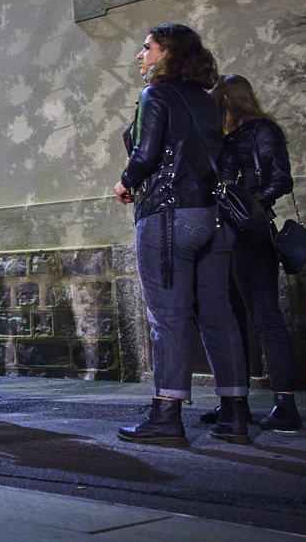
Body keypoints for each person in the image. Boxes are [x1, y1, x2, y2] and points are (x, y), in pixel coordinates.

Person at [114, 24, 248, 446]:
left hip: (168, 217)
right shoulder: (208, 103)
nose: (141, 54)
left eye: (147, 47)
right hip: (211, 217)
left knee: (167, 319)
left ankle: (167, 416)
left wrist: (125, 182)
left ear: (167, 54)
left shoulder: (155, 95)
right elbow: (220, 157)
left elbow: (147, 152)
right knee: (218, 315)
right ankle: (235, 413)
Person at [204, 74, 298, 430]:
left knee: (266, 317)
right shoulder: (228, 138)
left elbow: (280, 179)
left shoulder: (263, 130)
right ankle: (234, 401)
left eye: (218, 106)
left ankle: (286, 405)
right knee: (229, 319)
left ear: (227, 101)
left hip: (252, 234)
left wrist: (247, 207)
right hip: (224, 234)